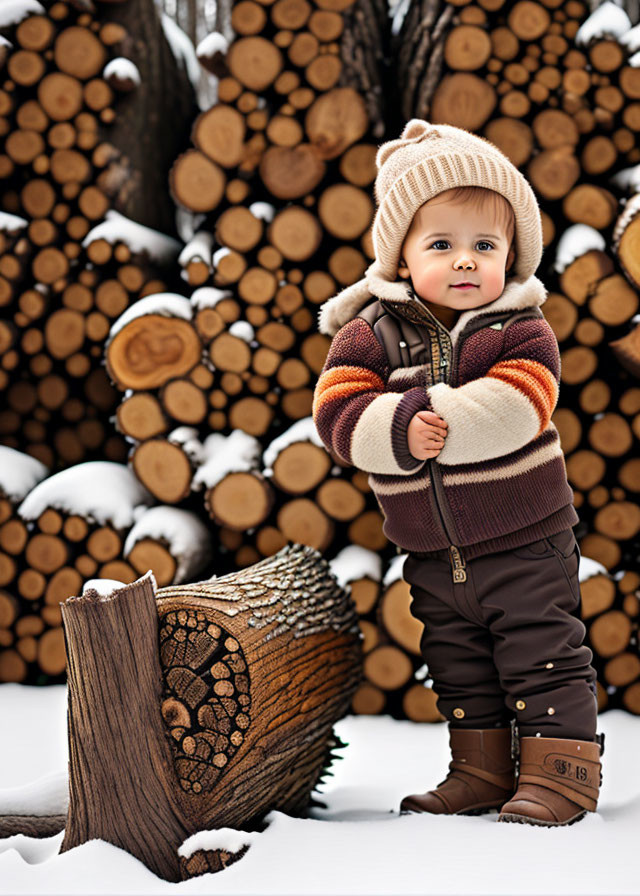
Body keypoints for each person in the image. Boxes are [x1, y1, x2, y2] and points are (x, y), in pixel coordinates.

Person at [311, 119, 604, 827]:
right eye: (441, 245)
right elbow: (337, 415)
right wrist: (397, 428)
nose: (466, 261)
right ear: (402, 256)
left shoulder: (519, 328)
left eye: (485, 246)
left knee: (541, 649)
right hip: (432, 547)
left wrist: (433, 418)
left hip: (525, 536)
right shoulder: (369, 334)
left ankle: (561, 772)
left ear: (513, 255)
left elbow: (519, 405)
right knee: (459, 662)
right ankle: (480, 767)